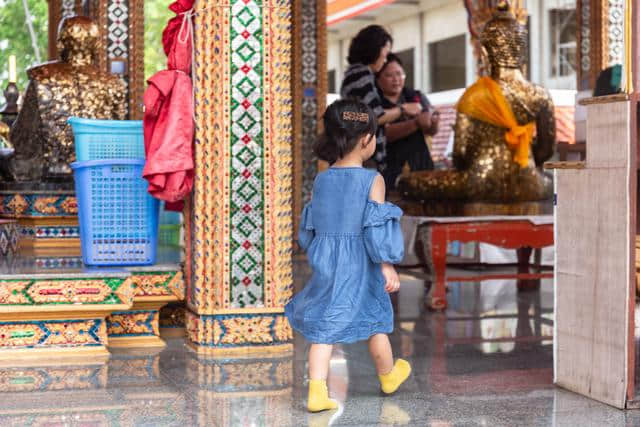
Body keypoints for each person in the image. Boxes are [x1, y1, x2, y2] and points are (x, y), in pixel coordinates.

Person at [285, 99, 411, 413]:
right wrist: (386, 263)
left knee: (325, 326)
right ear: (367, 139)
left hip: (328, 260)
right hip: (361, 261)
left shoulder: (322, 179)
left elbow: (311, 224)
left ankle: (317, 390)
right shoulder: (373, 180)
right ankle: (388, 376)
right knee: (376, 321)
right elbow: (375, 227)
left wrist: (315, 250)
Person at [340, 25, 422, 173]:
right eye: (384, 55)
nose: (384, 60)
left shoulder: (357, 74)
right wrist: (403, 109)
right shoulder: (361, 74)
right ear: (374, 51)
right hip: (364, 156)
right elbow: (374, 117)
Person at [377, 53, 439, 189]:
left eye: (399, 74)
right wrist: (415, 123)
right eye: (389, 75)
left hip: (420, 163)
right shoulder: (375, 102)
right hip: (388, 167)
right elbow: (383, 133)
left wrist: (433, 122)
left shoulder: (416, 96)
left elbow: (431, 131)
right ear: (378, 79)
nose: (396, 79)